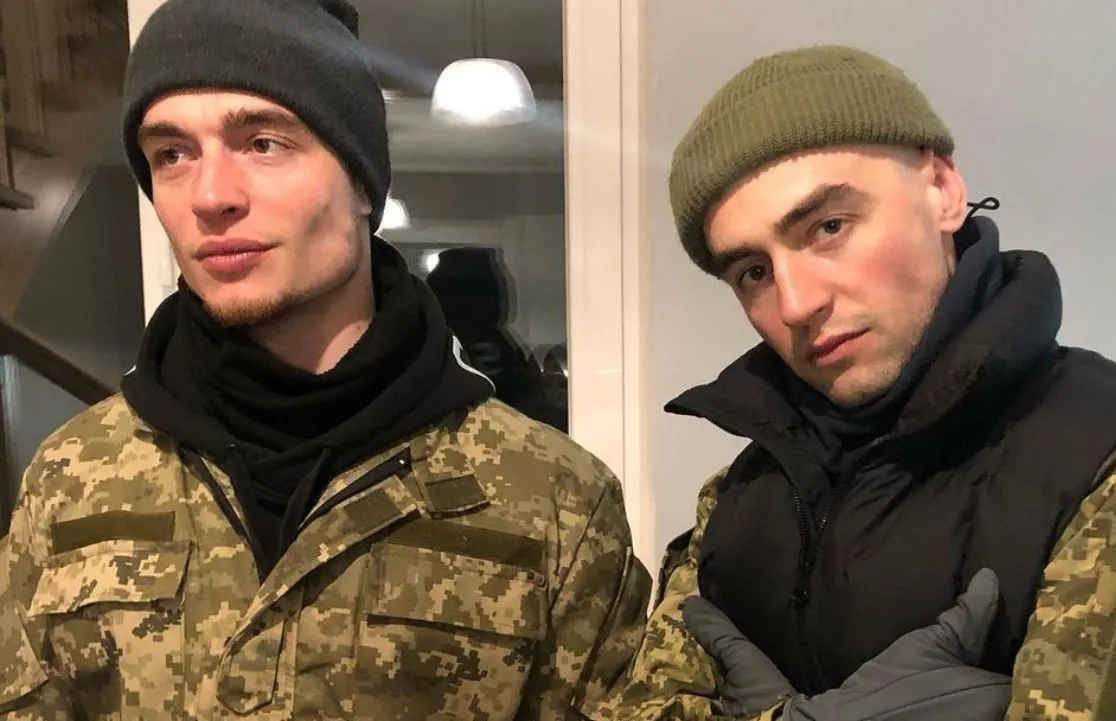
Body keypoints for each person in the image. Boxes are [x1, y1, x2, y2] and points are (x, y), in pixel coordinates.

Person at [0, 0, 650, 718]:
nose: (210, 196)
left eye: (263, 143)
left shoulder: (552, 498)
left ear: (363, 182)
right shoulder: (72, 478)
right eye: (172, 155)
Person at [592, 45, 1116, 720]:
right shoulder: (740, 493)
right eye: (753, 272)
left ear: (944, 190)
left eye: (829, 227)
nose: (797, 303)